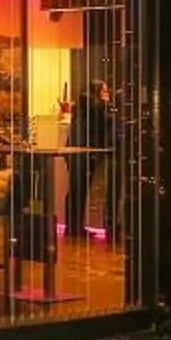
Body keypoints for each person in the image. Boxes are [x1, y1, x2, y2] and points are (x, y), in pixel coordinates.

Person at [66, 79, 115, 240]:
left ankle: (72, 226)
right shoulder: (96, 108)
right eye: (104, 91)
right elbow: (103, 127)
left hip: (74, 152)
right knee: (80, 190)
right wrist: (108, 107)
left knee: (75, 190)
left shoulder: (82, 107)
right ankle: (75, 228)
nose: (107, 94)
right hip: (87, 153)